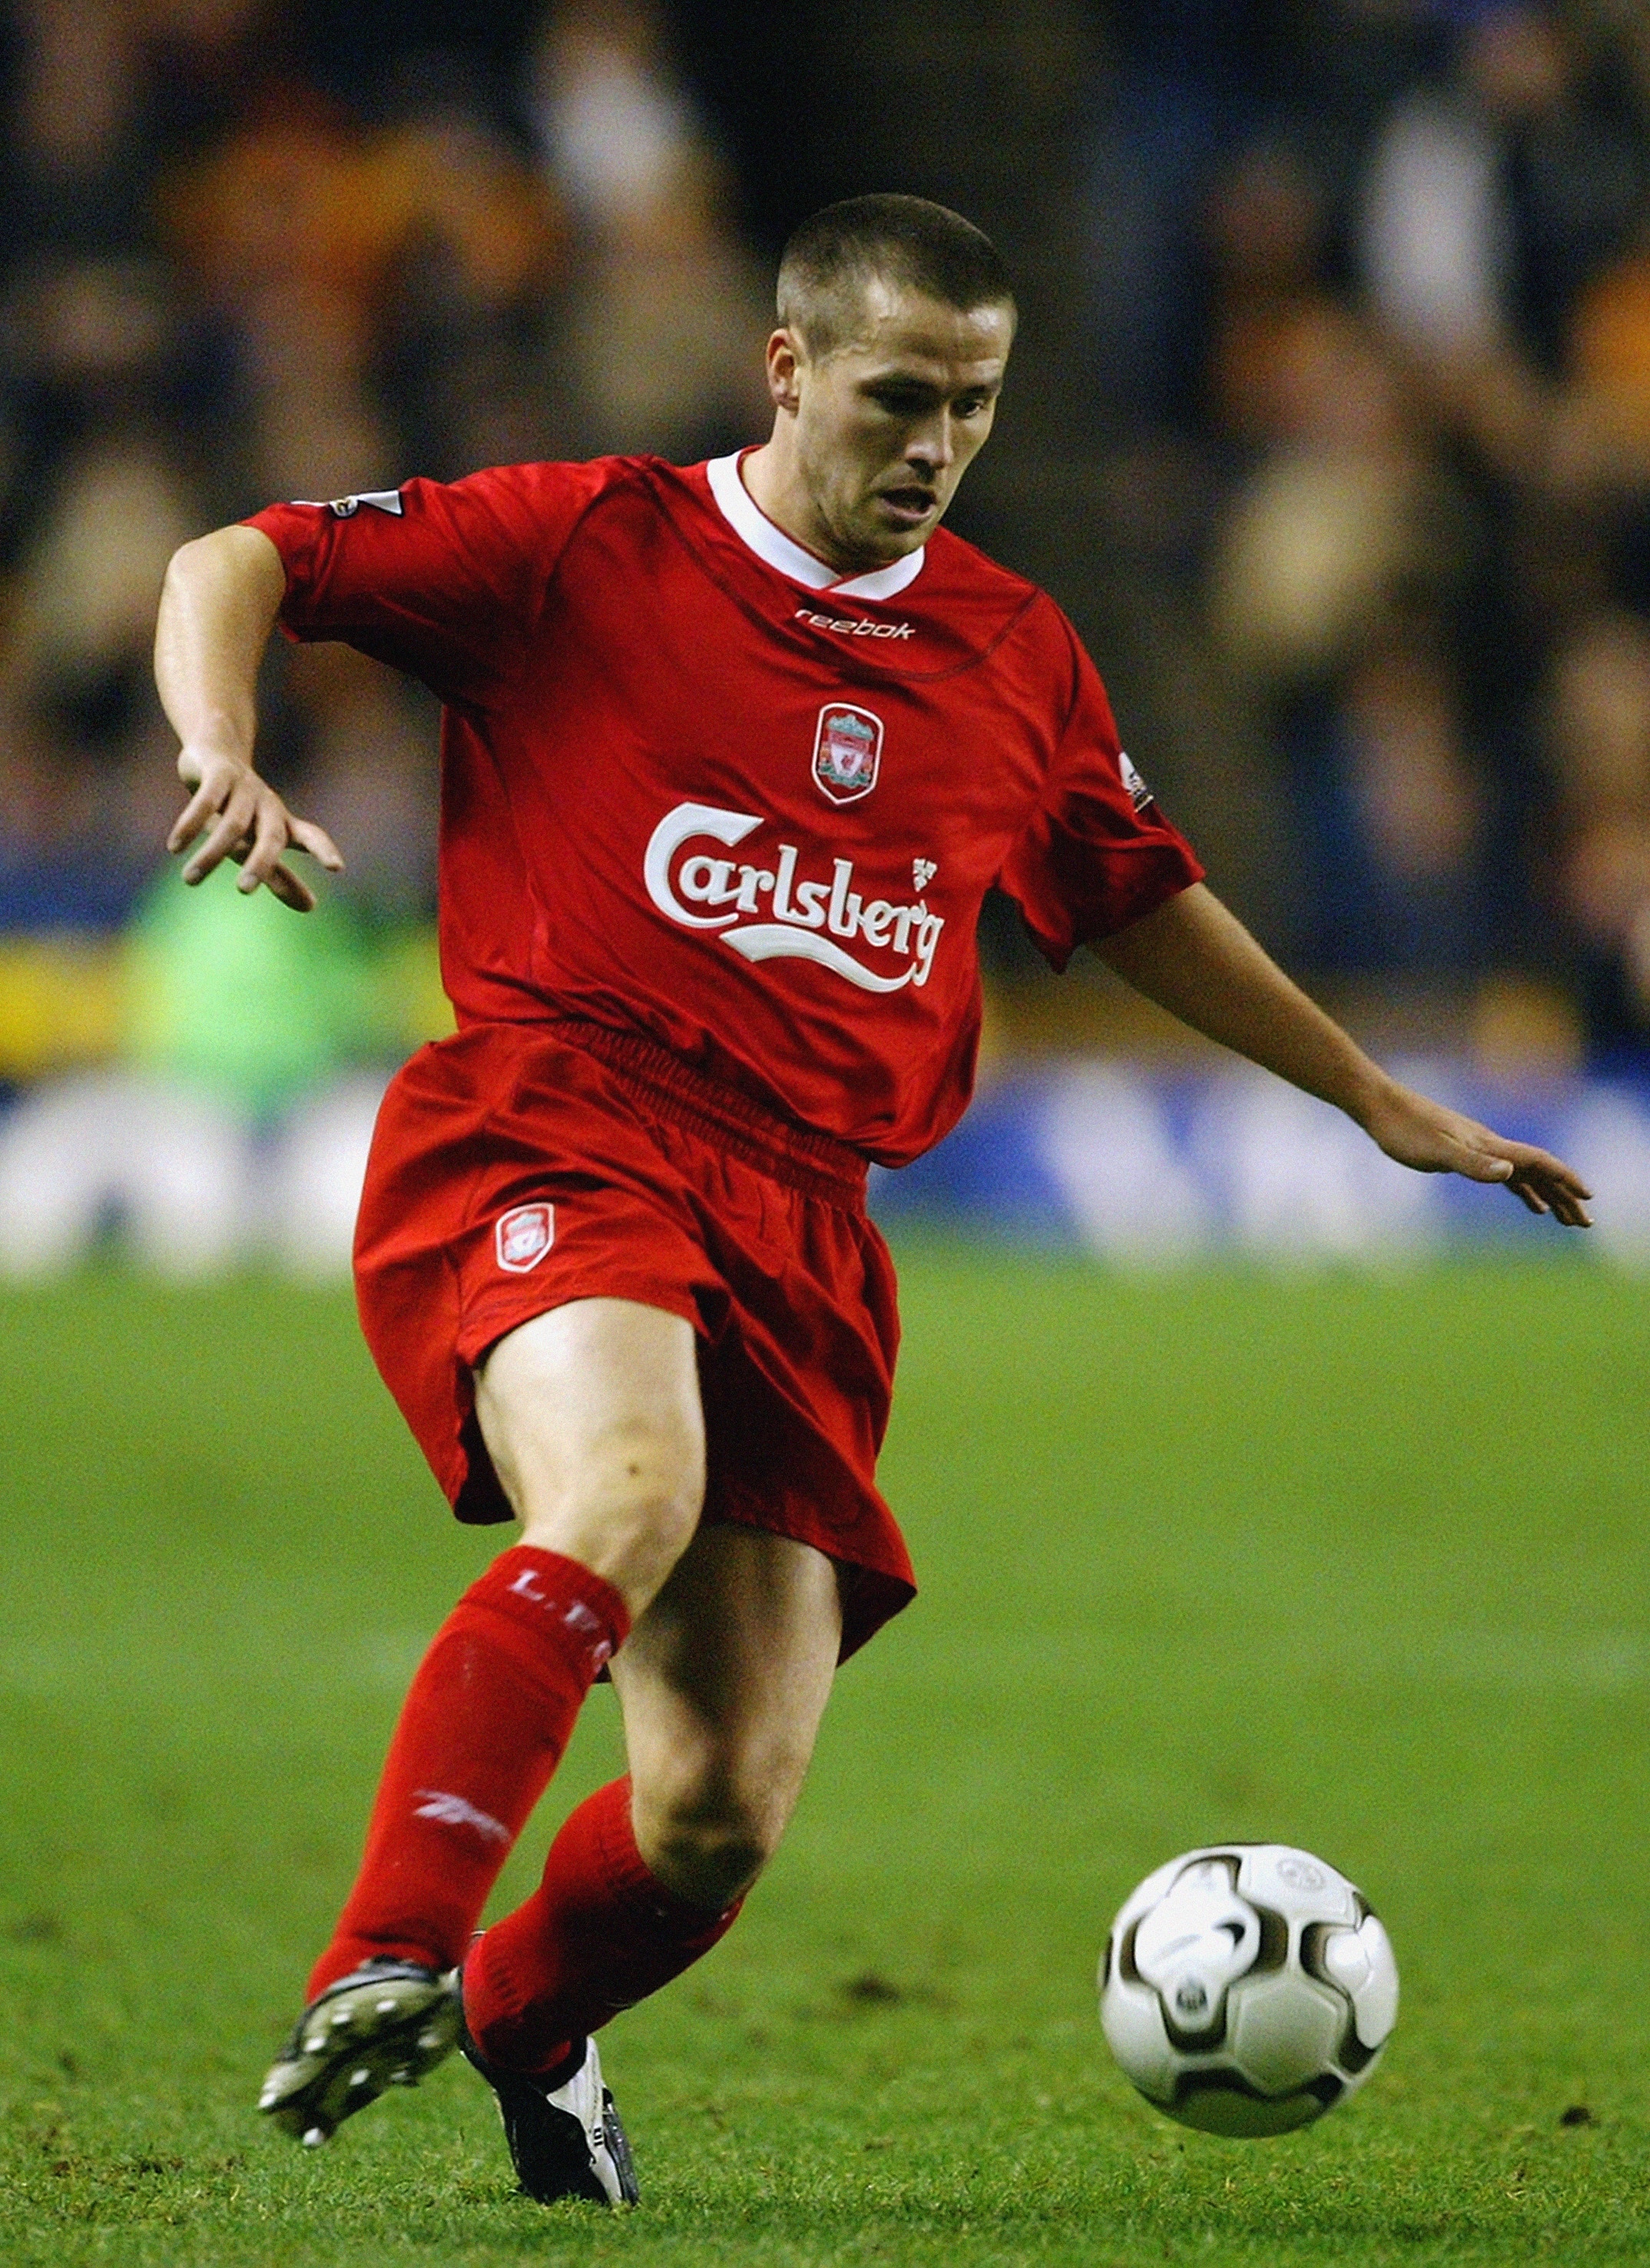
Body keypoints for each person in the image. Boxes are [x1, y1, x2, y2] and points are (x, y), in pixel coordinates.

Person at [151, 194, 1592, 2209]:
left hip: (808, 1218)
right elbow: (244, 555)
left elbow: (1129, 890)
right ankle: (381, 1949)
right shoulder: (588, 541)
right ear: (787, 371)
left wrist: (1370, 1101)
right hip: (562, 1117)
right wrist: (218, 736)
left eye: (974, 407)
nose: (933, 444)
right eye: (900, 396)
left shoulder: (1007, 648)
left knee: (713, 1814)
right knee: (625, 1493)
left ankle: (520, 2018)